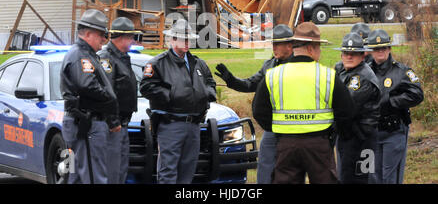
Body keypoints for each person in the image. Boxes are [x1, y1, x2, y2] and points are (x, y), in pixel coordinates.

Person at [253, 22, 355, 184]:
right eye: (319, 47)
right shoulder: (327, 75)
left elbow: (259, 111)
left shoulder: (273, 75)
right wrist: (332, 135)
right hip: (319, 144)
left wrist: (278, 130)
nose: (320, 52)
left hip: (286, 144)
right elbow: (347, 112)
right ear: (310, 48)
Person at [214, 24, 294, 184]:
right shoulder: (269, 65)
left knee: (290, 171)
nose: (274, 47)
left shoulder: (299, 66)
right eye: (273, 43)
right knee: (264, 167)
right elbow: (250, 84)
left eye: (278, 44)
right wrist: (231, 79)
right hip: (273, 127)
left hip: (294, 128)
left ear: (290, 45)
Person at [140, 19, 216, 184]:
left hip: (194, 124)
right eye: (184, 39)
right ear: (172, 40)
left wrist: (207, 94)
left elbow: (210, 82)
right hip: (171, 124)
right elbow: (146, 87)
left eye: (189, 39)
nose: (188, 42)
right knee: (168, 171)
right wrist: (170, 95)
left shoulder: (198, 63)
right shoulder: (158, 63)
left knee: (188, 170)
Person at [61, 9, 121, 184]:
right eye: (101, 35)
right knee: (93, 176)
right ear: (88, 34)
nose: (104, 39)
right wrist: (110, 99)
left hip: (86, 121)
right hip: (87, 122)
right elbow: (87, 86)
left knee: (79, 176)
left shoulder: (86, 54)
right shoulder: (81, 55)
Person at [367, 29, 424, 184]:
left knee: (390, 177)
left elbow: (417, 94)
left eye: (383, 48)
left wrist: (392, 101)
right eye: (376, 48)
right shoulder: (365, 71)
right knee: (372, 176)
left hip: (394, 131)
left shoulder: (401, 71)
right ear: (371, 51)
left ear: (389, 49)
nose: (380, 51)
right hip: (371, 132)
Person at [98, 17, 142, 184]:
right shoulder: (106, 58)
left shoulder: (122, 57)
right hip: (111, 126)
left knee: (121, 170)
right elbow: (106, 92)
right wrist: (113, 121)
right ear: (122, 37)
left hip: (122, 124)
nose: (132, 41)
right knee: (112, 173)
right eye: (131, 37)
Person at [334, 32, 381, 184]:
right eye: (346, 53)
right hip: (349, 136)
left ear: (362, 55)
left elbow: (346, 105)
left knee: (360, 178)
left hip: (362, 138)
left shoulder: (362, 77)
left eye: (353, 53)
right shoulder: (343, 70)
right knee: (347, 176)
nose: (349, 56)